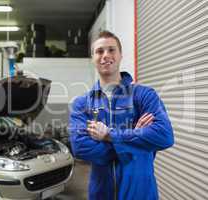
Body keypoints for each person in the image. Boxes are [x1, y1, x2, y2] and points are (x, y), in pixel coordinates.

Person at [69, 31, 174, 200]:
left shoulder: (144, 95)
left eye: (111, 50)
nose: (106, 55)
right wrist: (137, 141)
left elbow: (164, 136)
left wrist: (109, 136)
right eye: (99, 51)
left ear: (120, 55)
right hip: (101, 194)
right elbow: (81, 148)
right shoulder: (82, 104)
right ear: (92, 57)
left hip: (141, 194)